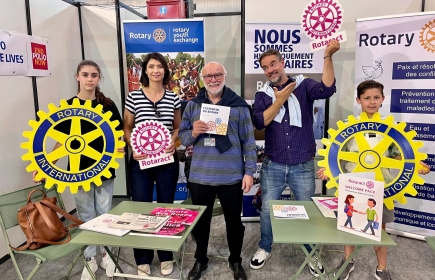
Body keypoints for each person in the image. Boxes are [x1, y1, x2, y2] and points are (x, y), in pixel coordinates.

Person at [317, 80, 431, 280]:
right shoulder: (350, 128)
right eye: (367, 98)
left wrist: (415, 165)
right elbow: (337, 154)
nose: (371, 102)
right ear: (359, 100)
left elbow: (399, 156)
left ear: (382, 99)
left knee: (380, 229)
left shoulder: (389, 129)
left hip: (382, 188)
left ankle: (381, 268)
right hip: (353, 185)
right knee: (349, 226)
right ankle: (348, 262)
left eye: (376, 97)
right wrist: (328, 170)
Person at [250, 40, 340, 276]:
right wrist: (279, 100)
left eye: (273, 64)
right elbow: (260, 122)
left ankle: (311, 252)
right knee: (268, 210)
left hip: (303, 163)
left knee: (307, 209)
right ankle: (265, 247)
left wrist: (328, 56)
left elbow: (327, 89)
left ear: (283, 63)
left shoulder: (303, 85)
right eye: (265, 67)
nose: (270, 69)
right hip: (273, 164)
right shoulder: (263, 94)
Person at [33, 60, 124, 280]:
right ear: (77, 77)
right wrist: (45, 167)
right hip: (77, 172)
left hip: (103, 171)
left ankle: (106, 254)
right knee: (85, 216)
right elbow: (61, 142)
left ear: (99, 78)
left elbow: (119, 136)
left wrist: (120, 146)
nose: (90, 79)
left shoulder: (108, 105)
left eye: (94, 75)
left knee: (104, 214)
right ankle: (90, 258)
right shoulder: (68, 106)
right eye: (85, 75)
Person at [179, 61, 256, 280]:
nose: (214, 79)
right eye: (209, 76)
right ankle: (200, 259)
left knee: (234, 223)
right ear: (202, 79)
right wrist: (192, 131)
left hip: (231, 176)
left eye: (217, 75)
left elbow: (249, 142)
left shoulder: (239, 106)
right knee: (201, 223)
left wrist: (249, 171)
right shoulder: (193, 105)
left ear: (224, 76)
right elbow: (183, 139)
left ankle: (236, 260)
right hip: (200, 176)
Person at [124, 52, 181, 276]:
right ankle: (143, 258)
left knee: (166, 207)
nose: (156, 70)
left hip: (166, 161)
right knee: (142, 209)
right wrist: (133, 147)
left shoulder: (174, 97)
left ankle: (166, 255)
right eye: (151, 67)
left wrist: (175, 142)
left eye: (159, 66)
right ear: (145, 71)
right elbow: (127, 126)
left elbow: (177, 127)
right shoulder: (133, 97)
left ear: (165, 70)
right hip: (140, 161)